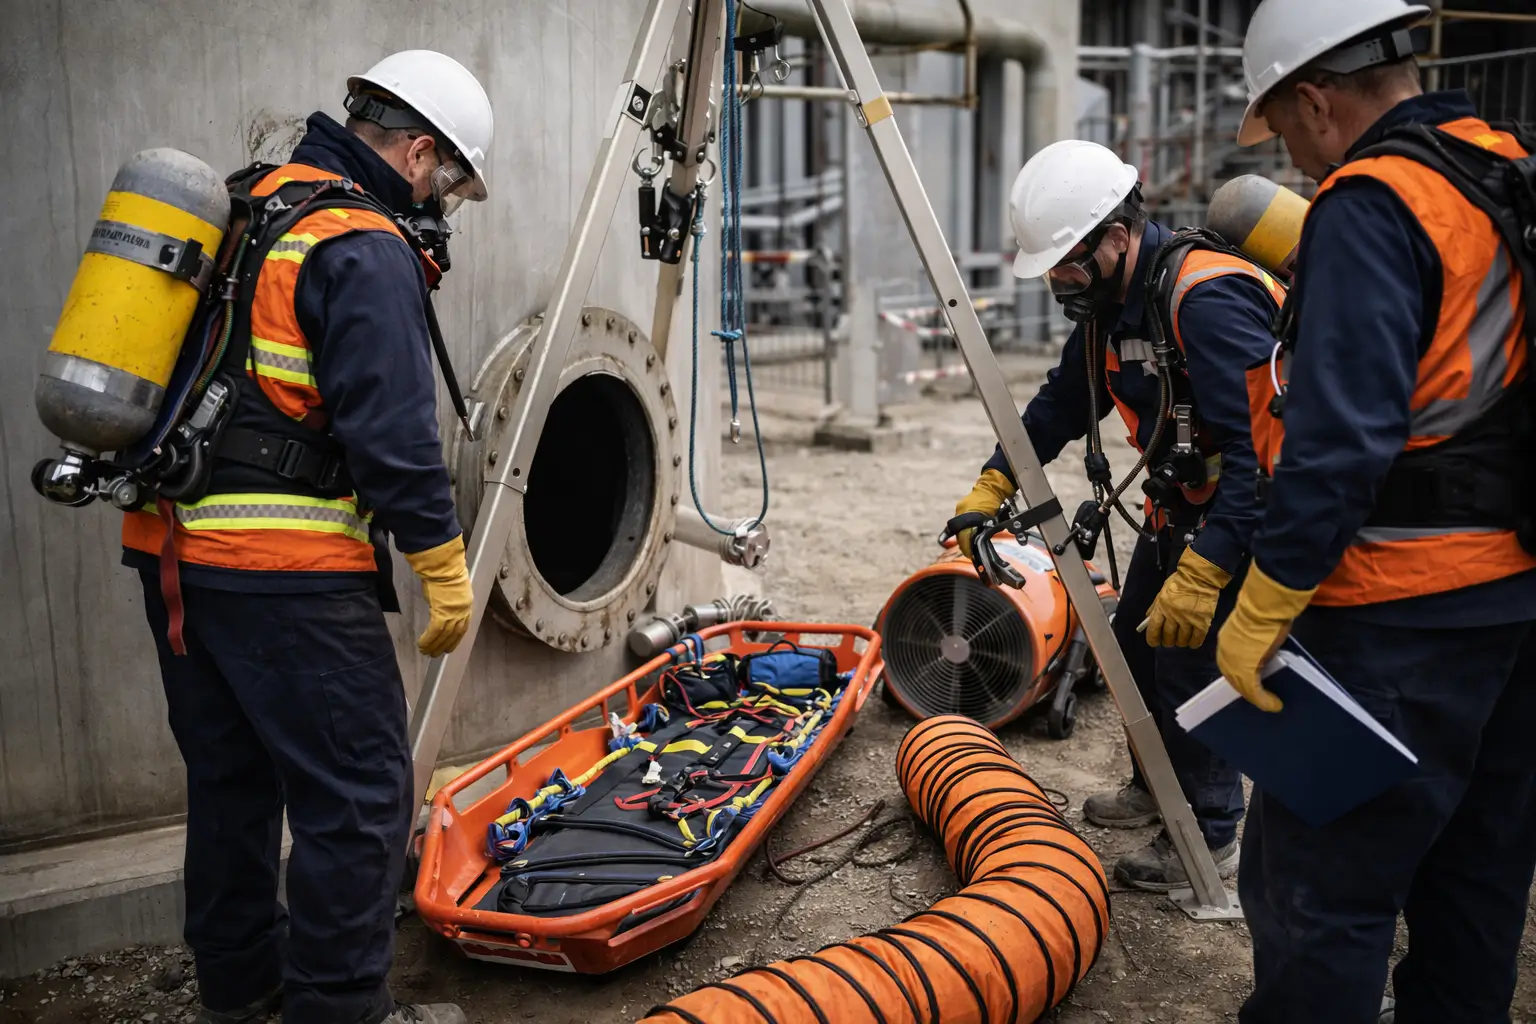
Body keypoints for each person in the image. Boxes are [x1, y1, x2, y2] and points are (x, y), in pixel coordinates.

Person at [119, 50, 492, 1024]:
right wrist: (442, 567)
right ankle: (338, 1010)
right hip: (284, 572)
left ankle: (242, 991)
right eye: (450, 183)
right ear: (417, 155)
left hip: (170, 551)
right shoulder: (362, 244)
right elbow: (395, 435)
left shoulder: (252, 205)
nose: (444, 208)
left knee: (234, 784)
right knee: (363, 799)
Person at [1217, 1, 1536, 1021]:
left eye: (1289, 131)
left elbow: (1339, 439)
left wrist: (1264, 600)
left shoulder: (1372, 202)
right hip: (1516, 599)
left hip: (1396, 614)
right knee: (1475, 879)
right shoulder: (1503, 170)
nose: (1300, 163)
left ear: (1316, 98)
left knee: (1317, 887)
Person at [953, 139, 1286, 890]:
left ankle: (1206, 837)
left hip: (1240, 516)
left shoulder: (1204, 299)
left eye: (1069, 260)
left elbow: (1266, 456)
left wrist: (1207, 570)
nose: (1061, 279)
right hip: (1180, 509)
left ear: (1116, 235)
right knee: (1134, 651)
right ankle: (1158, 791)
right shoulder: (1110, 305)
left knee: (1191, 667)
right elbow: (1065, 402)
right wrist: (994, 480)